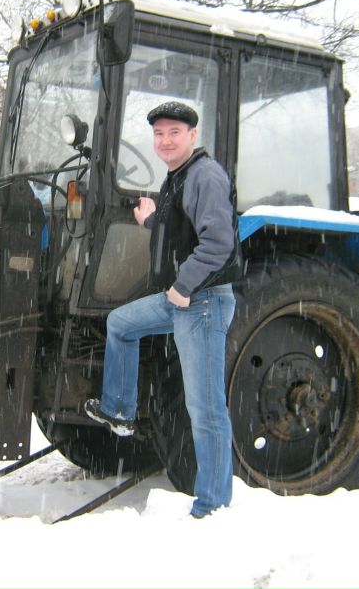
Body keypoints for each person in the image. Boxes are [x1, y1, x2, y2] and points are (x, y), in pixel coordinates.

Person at [84, 101, 242, 518]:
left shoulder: (205, 175)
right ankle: (120, 410)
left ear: (192, 135)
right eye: (159, 134)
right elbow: (182, 233)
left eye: (174, 132)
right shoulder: (178, 176)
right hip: (180, 298)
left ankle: (213, 505)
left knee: (205, 409)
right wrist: (152, 223)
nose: (165, 141)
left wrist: (185, 285)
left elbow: (219, 243)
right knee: (120, 323)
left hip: (201, 302)